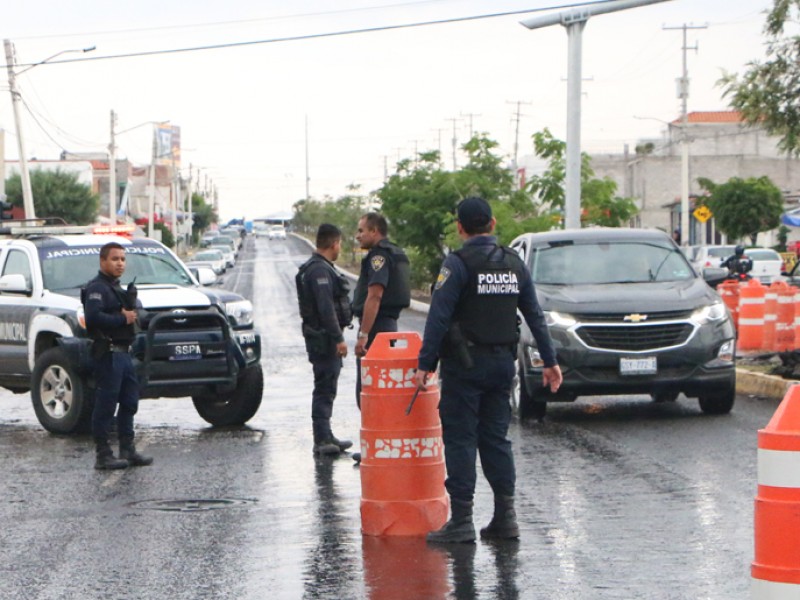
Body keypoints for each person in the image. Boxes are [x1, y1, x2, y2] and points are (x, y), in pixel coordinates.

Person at [413, 197, 562, 544]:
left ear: (461, 227)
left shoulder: (458, 263)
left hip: (465, 367)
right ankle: (505, 519)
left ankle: (462, 521)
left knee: (461, 438)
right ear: (493, 224)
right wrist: (551, 361)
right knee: (496, 439)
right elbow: (534, 315)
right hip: (502, 366)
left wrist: (425, 364)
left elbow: (438, 316)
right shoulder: (514, 263)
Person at [83, 242, 152, 470]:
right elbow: (93, 318)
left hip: (124, 354)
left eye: (123, 259)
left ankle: (127, 449)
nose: (120, 263)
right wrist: (122, 319)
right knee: (106, 404)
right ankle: (103, 455)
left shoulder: (116, 288)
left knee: (130, 401)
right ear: (103, 261)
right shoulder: (97, 288)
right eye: (115, 259)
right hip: (109, 353)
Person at [296, 224, 354, 456]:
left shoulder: (318, 268)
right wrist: (338, 338)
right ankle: (321, 439)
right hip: (324, 338)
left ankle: (326, 434)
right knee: (324, 387)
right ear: (334, 243)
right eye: (339, 243)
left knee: (328, 386)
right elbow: (326, 308)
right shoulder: (319, 271)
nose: (340, 247)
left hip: (322, 336)